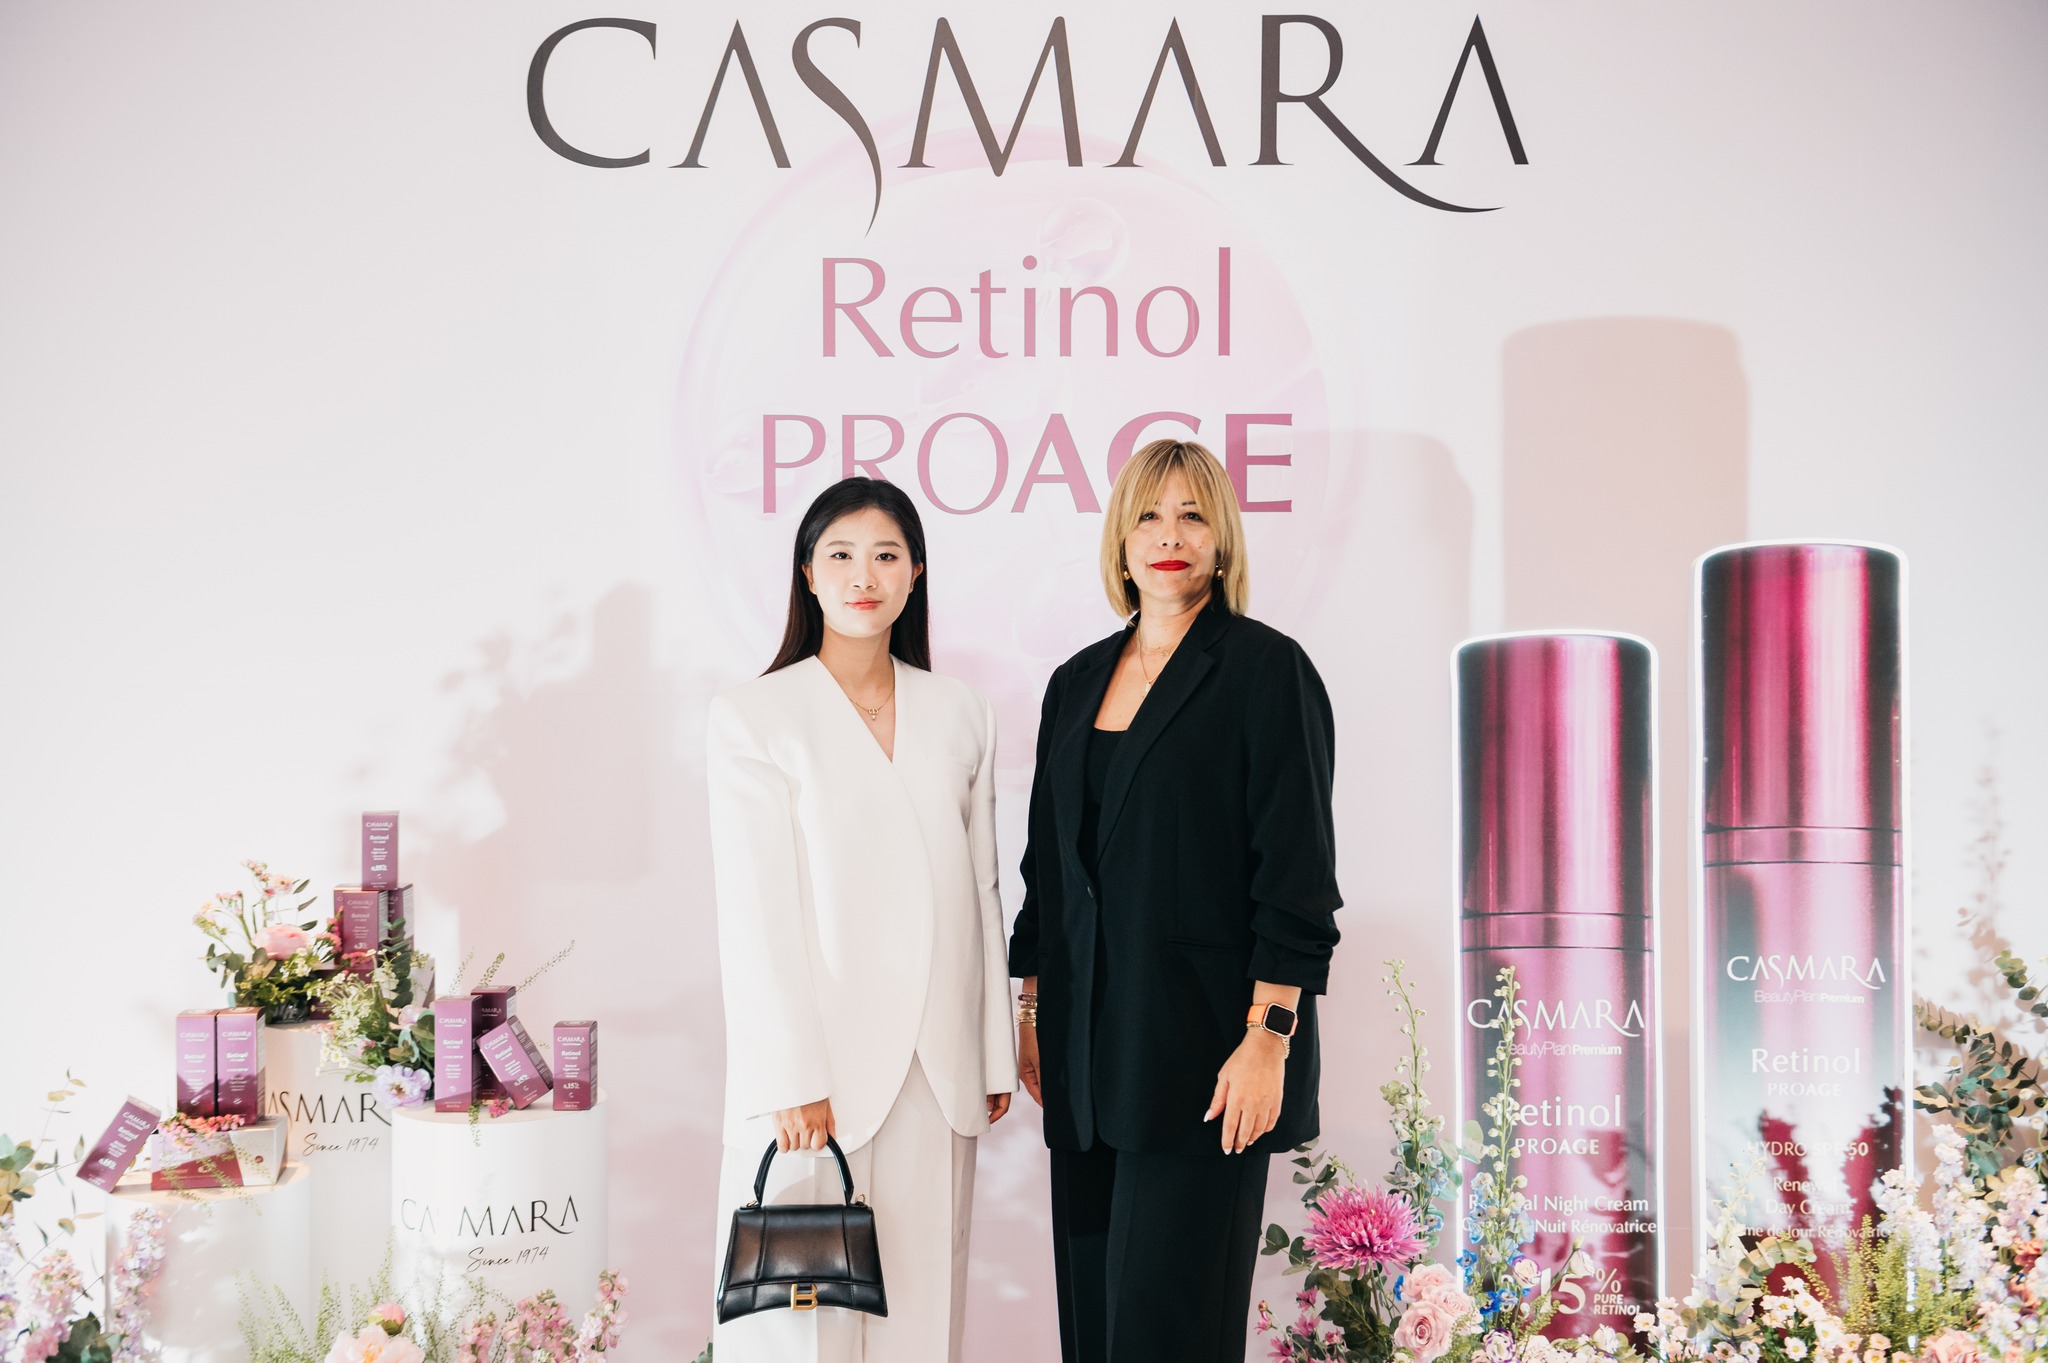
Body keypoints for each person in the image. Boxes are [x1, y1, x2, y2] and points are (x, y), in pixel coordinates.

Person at [1009, 439, 1342, 1363]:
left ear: (1222, 538)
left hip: (1206, 1061)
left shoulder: (1267, 670)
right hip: (1086, 1059)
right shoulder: (1075, 681)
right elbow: (1048, 867)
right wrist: (1031, 1010)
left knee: (1170, 1334)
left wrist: (1269, 1037)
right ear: (1120, 539)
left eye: (1193, 515)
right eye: (1149, 516)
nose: (1170, 535)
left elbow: (1297, 875)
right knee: (1096, 1334)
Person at [708, 476, 1017, 1363]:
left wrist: (992, 1048)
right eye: (840, 554)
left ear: (916, 573)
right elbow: (755, 911)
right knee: (804, 1329)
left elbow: (983, 888)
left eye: (886, 555)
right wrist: (788, 1073)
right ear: (808, 573)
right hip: (817, 1079)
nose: (863, 576)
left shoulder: (961, 711)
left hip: (936, 1066)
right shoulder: (756, 716)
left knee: (922, 1314)